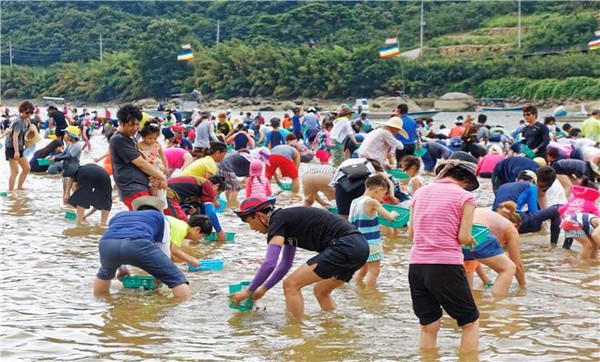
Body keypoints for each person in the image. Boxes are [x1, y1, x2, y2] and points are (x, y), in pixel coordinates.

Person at [230, 197, 369, 321]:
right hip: (360, 247)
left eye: (249, 222)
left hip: (345, 246)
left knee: (291, 285)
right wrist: (264, 289)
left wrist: (248, 291)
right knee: (321, 291)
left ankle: (295, 331)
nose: (251, 228)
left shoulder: (277, 220)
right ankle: (334, 328)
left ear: (259, 215)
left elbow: (269, 263)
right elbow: (285, 264)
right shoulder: (286, 221)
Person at [407, 151, 480, 354]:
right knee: (470, 323)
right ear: (465, 178)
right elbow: (463, 237)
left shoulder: (419, 192)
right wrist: (470, 238)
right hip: (445, 265)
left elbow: (411, 233)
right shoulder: (466, 196)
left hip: (417, 266)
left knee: (429, 326)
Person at [93, 196, 212, 299]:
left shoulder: (120, 215)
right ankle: (181, 310)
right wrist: (162, 273)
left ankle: (103, 301)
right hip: (138, 243)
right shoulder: (159, 217)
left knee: (105, 274)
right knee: (177, 279)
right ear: (159, 210)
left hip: (107, 244)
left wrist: (122, 269)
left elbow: (118, 239)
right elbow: (164, 246)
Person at [110, 104, 167, 210]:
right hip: (132, 188)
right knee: (147, 217)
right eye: (132, 125)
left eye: (137, 125)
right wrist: (162, 177)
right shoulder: (119, 140)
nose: (135, 128)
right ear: (121, 123)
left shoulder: (130, 138)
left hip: (140, 186)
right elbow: (141, 163)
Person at [349, 175, 399, 288]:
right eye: (383, 194)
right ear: (379, 190)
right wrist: (394, 213)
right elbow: (390, 217)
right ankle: (370, 294)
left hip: (357, 242)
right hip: (371, 244)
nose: (382, 199)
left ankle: (358, 289)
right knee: (374, 271)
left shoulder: (355, 201)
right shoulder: (372, 202)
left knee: (363, 269)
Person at [558, 180, 600, 260]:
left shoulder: (572, 200)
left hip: (567, 220)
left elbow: (560, 210)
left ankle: (589, 260)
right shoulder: (590, 203)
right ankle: (580, 265)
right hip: (573, 222)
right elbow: (598, 217)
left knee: (591, 244)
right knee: (588, 245)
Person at [4, 101, 35, 191]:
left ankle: (19, 187)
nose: (28, 114)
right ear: (22, 111)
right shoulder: (18, 121)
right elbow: (15, 137)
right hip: (11, 147)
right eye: (27, 112)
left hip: (20, 146)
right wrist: (16, 151)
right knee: (15, 171)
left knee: (27, 168)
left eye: (30, 113)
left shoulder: (27, 120)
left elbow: (27, 134)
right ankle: (11, 191)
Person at [49, 125, 83, 204]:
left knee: (71, 190)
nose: (64, 136)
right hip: (66, 168)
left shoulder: (77, 146)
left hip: (72, 170)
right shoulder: (69, 144)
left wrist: (56, 159)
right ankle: (66, 206)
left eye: (66, 134)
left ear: (71, 136)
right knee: (65, 189)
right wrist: (53, 157)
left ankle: (73, 206)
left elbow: (69, 156)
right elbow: (63, 153)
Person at [138, 122, 169, 200]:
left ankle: (161, 202)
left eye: (155, 138)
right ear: (143, 137)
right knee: (153, 187)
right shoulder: (139, 146)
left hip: (159, 169)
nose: (152, 140)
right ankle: (154, 201)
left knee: (161, 188)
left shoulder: (157, 145)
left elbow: (163, 156)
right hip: (150, 170)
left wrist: (166, 166)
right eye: (150, 138)